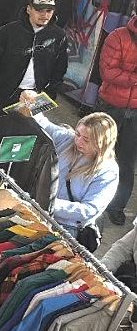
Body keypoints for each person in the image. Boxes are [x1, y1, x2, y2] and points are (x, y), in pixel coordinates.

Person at [24, 102, 118, 246]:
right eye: (77, 134)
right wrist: (31, 102)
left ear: (102, 143)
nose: (78, 141)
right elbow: (43, 123)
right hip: (39, 213)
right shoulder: (67, 140)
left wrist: (48, 203)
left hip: (66, 228)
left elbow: (89, 210)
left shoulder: (107, 171)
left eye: (86, 140)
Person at [0, 0, 69, 130]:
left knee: (24, 138)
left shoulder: (58, 36)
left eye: (49, 11)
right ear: (29, 9)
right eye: (39, 10)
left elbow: (59, 69)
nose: (44, 15)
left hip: (35, 97)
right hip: (1, 95)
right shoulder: (6, 32)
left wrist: (49, 94)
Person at [95, 17, 137, 225]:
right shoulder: (118, 36)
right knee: (97, 153)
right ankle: (88, 197)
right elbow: (107, 72)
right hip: (110, 106)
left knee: (127, 162)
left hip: (135, 111)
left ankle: (117, 206)